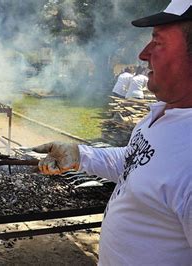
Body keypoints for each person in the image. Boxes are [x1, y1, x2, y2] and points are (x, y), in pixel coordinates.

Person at [31, 0, 192, 264]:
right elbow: (136, 163)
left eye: (158, 41)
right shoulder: (161, 114)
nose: (143, 53)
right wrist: (80, 155)